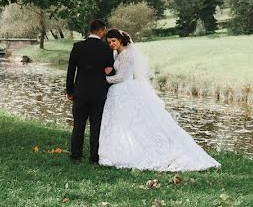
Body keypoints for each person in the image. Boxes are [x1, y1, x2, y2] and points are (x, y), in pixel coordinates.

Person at [98, 29, 219, 171]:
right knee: (123, 121)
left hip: (125, 88)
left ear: (120, 40)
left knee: (134, 121)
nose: (111, 44)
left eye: (114, 41)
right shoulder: (119, 53)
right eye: (109, 42)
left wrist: (102, 78)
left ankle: (138, 150)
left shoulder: (126, 55)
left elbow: (121, 77)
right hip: (121, 91)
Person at [65, 19, 114, 163]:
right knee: (96, 125)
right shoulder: (106, 49)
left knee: (78, 125)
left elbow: (70, 72)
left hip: (80, 92)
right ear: (100, 31)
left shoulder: (78, 47)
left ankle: (76, 155)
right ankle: (94, 157)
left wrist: (70, 91)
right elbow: (110, 71)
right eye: (103, 31)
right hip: (98, 93)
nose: (104, 34)